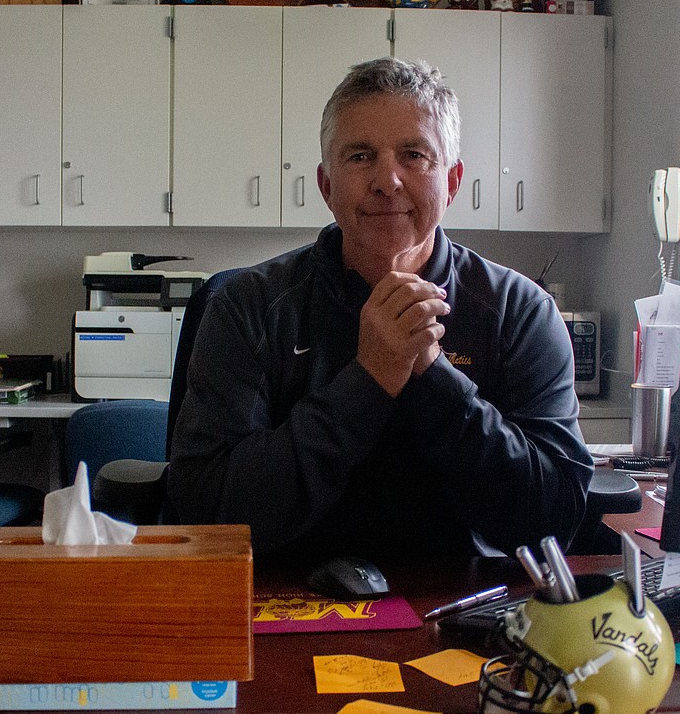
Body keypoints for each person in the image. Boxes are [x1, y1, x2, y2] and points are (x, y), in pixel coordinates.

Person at [167, 57, 593, 562]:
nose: (387, 180)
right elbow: (204, 512)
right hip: (284, 605)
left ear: (452, 182)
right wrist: (368, 380)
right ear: (326, 187)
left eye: (414, 155)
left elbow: (553, 522)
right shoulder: (247, 307)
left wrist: (432, 377)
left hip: (463, 606)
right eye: (361, 156)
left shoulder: (520, 312)